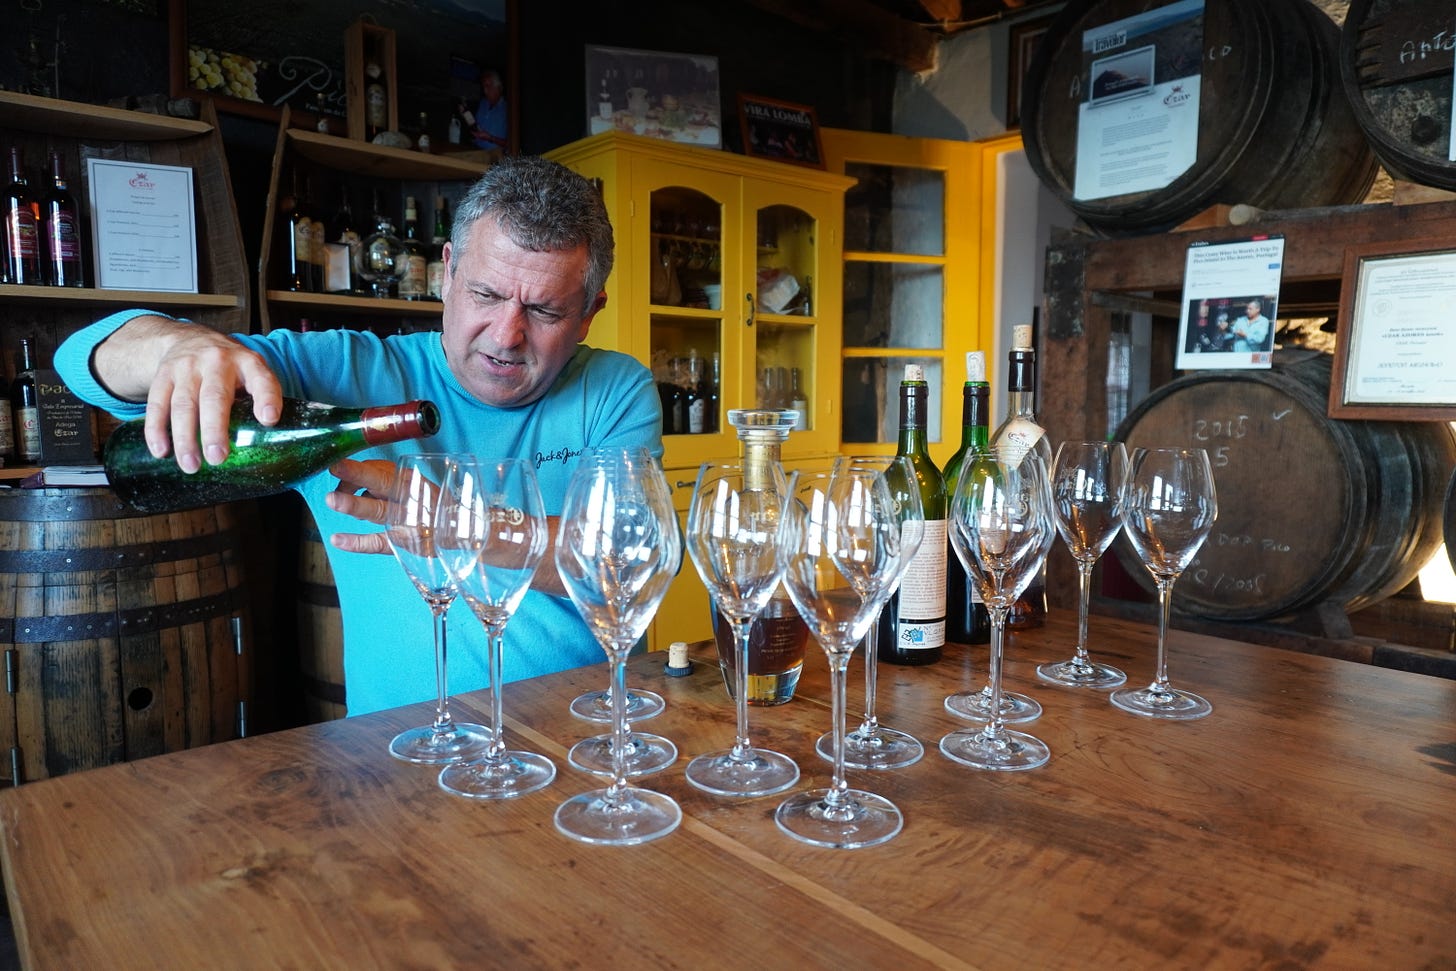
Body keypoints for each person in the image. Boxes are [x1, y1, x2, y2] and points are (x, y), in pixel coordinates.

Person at [54, 156, 661, 715]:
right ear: (446, 274)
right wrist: (178, 344)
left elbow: (628, 559)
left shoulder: (614, 388)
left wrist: (472, 527)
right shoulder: (342, 375)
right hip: (401, 754)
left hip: (585, 737)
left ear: (589, 313)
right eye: (486, 294)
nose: (506, 334)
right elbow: (83, 362)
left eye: (545, 312)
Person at [467, 67, 508, 151]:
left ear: (499, 88)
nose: (485, 91)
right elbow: (476, 127)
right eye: (484, 87)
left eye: (488, 86)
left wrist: (490, 138)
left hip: (496, 156)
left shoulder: (507, 109)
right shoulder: (483, 103)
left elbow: (511, 144)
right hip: (474, 149)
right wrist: (466, 114)